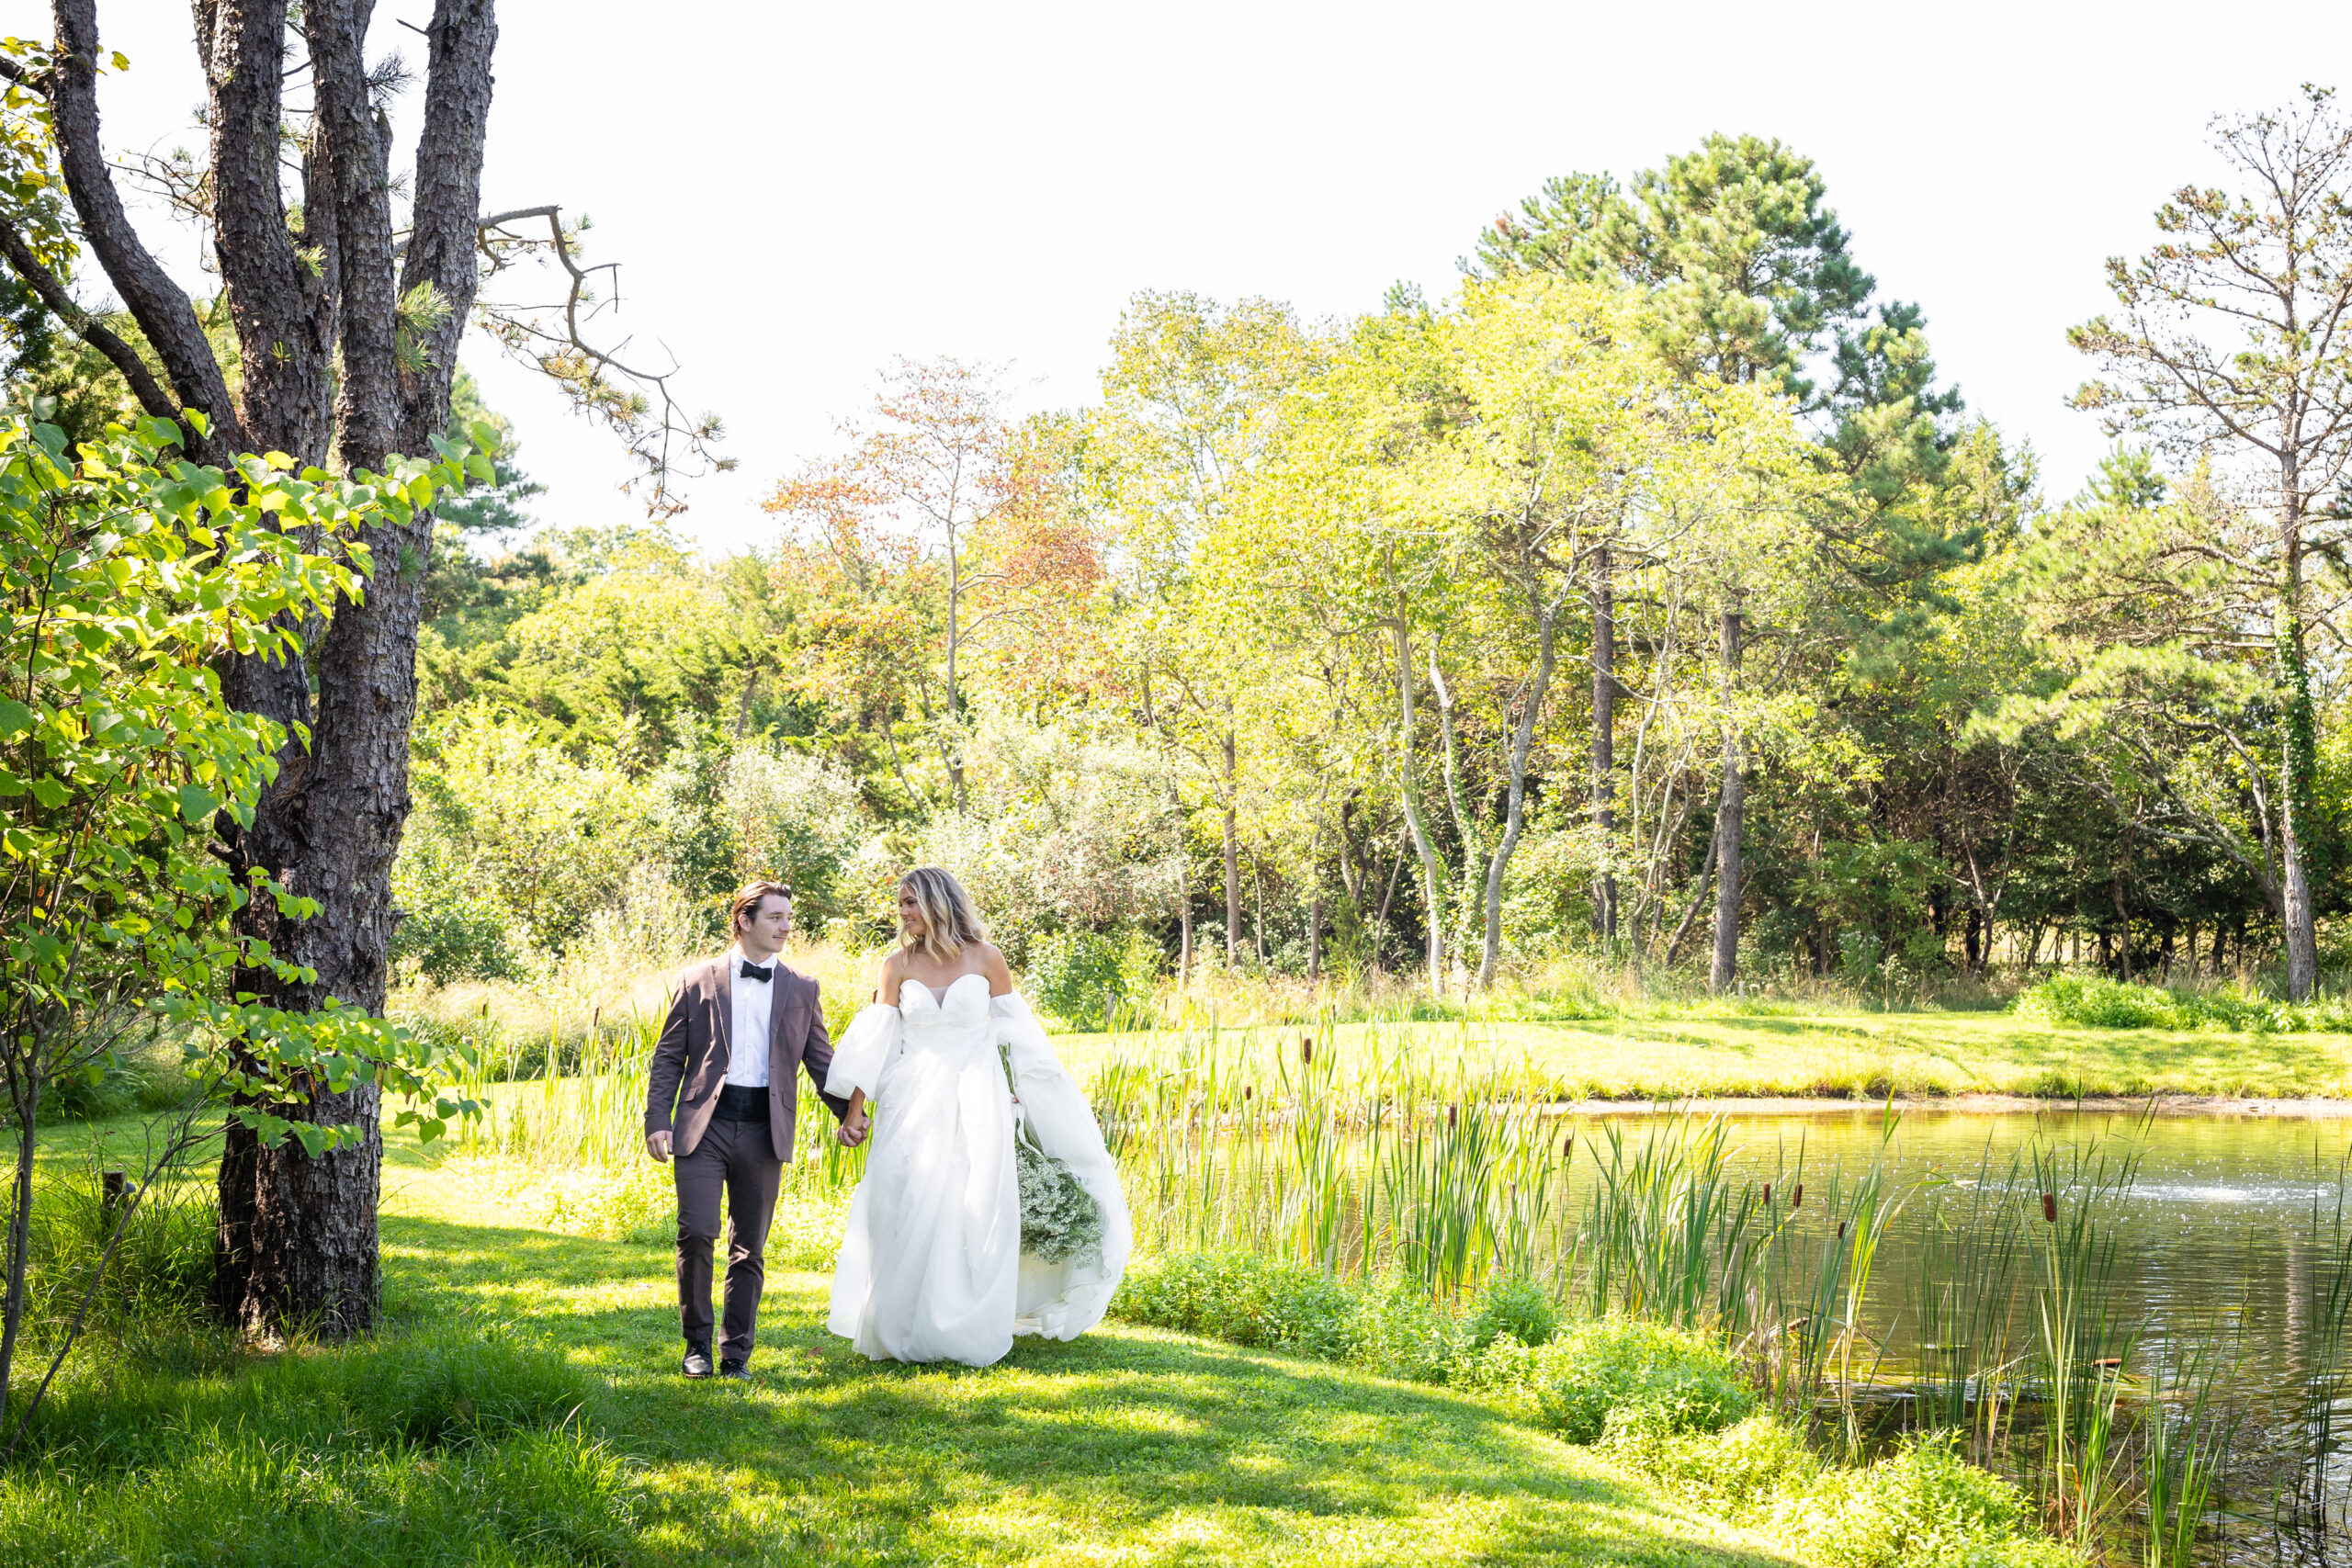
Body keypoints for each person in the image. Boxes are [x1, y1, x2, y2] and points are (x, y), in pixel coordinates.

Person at [823, 866, 1130, 1366]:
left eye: (909, 903)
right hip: (911, 1096)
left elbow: (1019, 1036)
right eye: (900, 903)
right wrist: (855, 1111)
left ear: (938, 903)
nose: (901, 913)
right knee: (902, 1200)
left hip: (978, 1093)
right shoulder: (896, 965)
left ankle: (961, 1325)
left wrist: (1044, 1098)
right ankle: (901, 1323)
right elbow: (874, 1040)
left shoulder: (988, 959)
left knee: (973, 1203)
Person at [643, 879, 868, 1381]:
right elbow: (667, 1058)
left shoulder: (803, 988)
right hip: (704, 1128)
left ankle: (735, 1355)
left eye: (789, 918)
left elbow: (820, 1061)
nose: (787, 926)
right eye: (775, 917)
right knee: (696, 1233)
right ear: (744, 921)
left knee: (749, 1248)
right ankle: (697, 1344)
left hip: (766, 1132)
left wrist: (849, 1114)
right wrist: (658, 1119)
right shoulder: (695, 979)